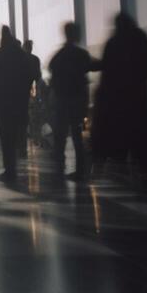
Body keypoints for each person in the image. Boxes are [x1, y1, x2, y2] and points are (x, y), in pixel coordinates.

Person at [92, 13, 147, 177]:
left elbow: (107, 71)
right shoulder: (140, 37)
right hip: (138, 94)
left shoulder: (113, 42)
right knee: (142, 134)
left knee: (120, 133)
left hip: (118, 97)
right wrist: (139, 80)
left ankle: (120, 163)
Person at [48, 21, 99, 178]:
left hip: (63, 100)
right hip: (78, 100)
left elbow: (52, 71)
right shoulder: (81, 54)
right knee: (77, 135)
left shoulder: (59, 56)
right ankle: (80, 169)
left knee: (60, 134)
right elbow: (94, 65)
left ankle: (59, 165)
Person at [0, 26, 32, 181]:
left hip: (2, 104)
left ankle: (9, 170)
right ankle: (14, 167)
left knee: (6, 138)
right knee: (17, 135)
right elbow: (30, 76)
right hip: (19, 103)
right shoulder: (22, 56)